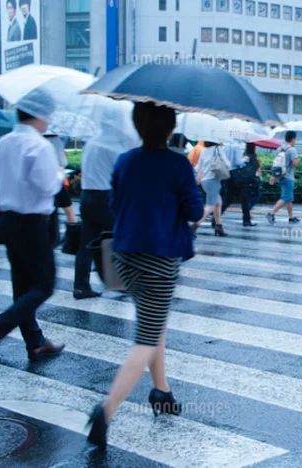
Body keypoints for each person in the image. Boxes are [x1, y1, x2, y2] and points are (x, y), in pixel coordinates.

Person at [86, 102, 204, 449]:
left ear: (137, 125)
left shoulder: (125, 160)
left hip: (124, 255)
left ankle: (162, 392)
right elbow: (195, 210)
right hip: (160, 258)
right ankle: (105, 411)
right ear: (170, 128)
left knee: (154, 322)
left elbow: (114, 205)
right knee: (147, 338)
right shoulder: (177, 163)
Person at [0, 95, 66, 362]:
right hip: (32, 223)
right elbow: (47, 186)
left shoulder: (2, 145)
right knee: (44, 284)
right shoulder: (39, 147)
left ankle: (35, 342)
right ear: (40, 115)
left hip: (9, 221)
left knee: (22, 283)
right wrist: (61, 174)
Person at [73, 133, 136, 300]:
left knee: (86, 242)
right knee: (117, 238)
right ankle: (117, 282)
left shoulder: (91, 142)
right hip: (105, 196)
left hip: (87, 195)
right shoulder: (113, 143)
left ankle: (80, 285)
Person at [194, 141, 231, 237]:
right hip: (213, 180)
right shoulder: (218, 149)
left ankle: (219, 227)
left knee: (218, 203)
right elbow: (227, 164)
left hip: (204, 181)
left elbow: (198, 167)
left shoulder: (204, 150)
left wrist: (197, 178)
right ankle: (194, 226)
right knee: (210, 205)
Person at [267, 131, 300, 224]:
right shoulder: (292, 150)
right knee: (286, 197)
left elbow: (276, 164)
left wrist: (273, 176)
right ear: (293, 139)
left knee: (289, 198)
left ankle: (291, 217)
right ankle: (271, 213)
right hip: (288, 177)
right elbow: (294, 163)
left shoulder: (279, 149)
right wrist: (299, 160)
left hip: (280, 176)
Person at [221, 142, 257, 227]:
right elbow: (238, 162)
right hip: (236, 174)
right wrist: (245, 160)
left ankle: (216, 218)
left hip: (227, 173)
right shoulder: (236, 146)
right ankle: (246, 220)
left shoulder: (226, 146)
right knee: (244, 198)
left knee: (228, 198)